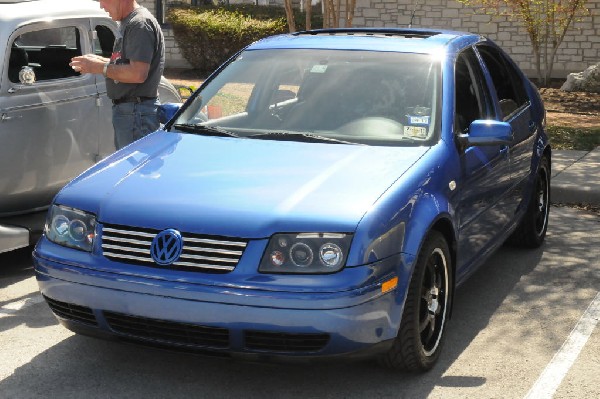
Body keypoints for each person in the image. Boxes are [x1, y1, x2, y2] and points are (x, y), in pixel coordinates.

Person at [70, 0, 165, 150]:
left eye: (103, 0)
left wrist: (100, 67)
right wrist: (99, 61)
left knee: (134, 170)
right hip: (133, 113)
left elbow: (137, 73)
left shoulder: (139, 24)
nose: (101, 6)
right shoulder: (131, 22)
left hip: (136, 113)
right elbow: (127, 63)